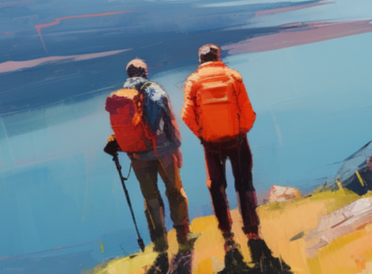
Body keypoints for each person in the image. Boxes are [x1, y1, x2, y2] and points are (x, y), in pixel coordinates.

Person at [105, 58, 191, 254]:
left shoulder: (120, 96)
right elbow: (165, 121)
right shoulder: (154, 89)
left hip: (136, 154)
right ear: (145, 72)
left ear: (128, 74)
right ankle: (183, 237)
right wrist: (176, 146)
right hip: (162, 151)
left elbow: (121, 127)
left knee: (150, 197)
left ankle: (160, 245)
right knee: (175, 191)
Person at [182, 43, 260, 245]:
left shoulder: (193, 81)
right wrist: (242, 130)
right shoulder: (233, 76)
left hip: (211, 142)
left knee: (216, 186)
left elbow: (186, 115)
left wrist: (202, 134)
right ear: (218, 57)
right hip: (237, 138)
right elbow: (247, 110)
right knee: (244, 183)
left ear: (200, 60)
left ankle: (226, 232)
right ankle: (251, 230)